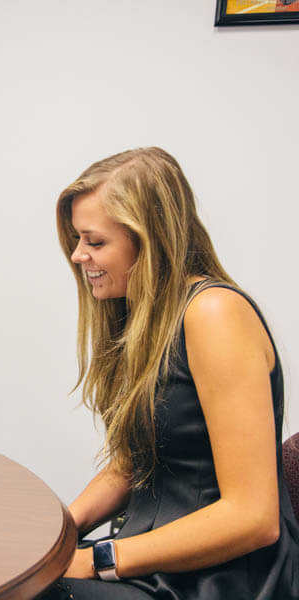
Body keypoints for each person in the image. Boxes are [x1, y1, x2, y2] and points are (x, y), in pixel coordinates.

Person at [43, 147, 298, 599]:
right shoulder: (146, 318)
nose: (78, 256)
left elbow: (255, 518)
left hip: (224, 580)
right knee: (19, 576)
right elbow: (135, 463)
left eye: (95, 241)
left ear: (150, 239)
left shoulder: (214, 314)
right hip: (157, 560)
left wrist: (98, 559)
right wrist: (58, 532)